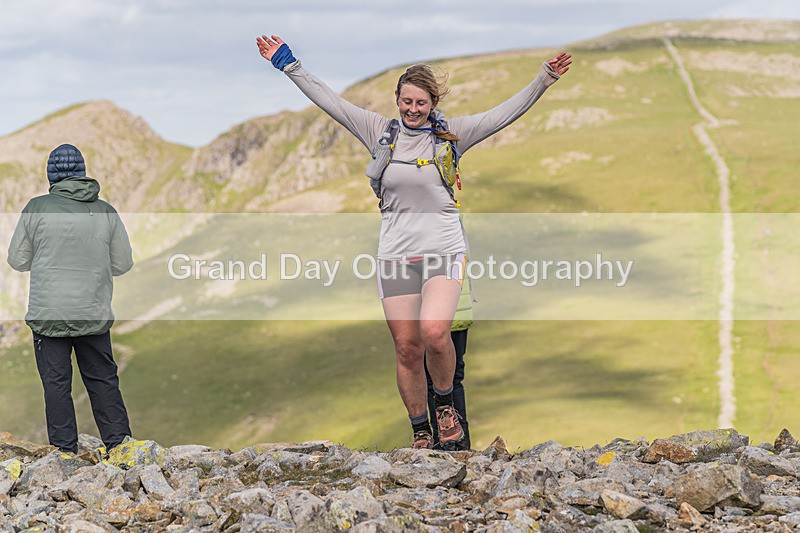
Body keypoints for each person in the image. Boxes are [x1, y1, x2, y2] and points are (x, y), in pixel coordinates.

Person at [256, 35, 571, 449]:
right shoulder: (378, 131)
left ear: (433, 102)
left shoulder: (451, 135)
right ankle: (420, 430)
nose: (413, 109)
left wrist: (543, 79)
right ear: (397, 99)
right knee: (407, 348)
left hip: (444, 248)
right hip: (395, 253)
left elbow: (502, 115)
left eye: (421, 103)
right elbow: (330, 102)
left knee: (436, 333)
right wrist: (288, 64)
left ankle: (444, 406)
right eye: (406, 101)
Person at [7, 144, 134, 454]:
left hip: (48, 314)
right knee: (103, 380)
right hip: (92, 312)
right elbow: (122, 264)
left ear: (51, 175)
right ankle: (121, 450)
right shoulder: (104, 210)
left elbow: (18, 260)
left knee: (56, 385)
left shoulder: (36, 208)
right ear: (82, 173)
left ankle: (64, 454)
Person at [426, 275, 472, 450]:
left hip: (449, 312)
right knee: (452, 378)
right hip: (457, 308)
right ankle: (459, 444)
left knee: (435, 381)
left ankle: (444, 444)